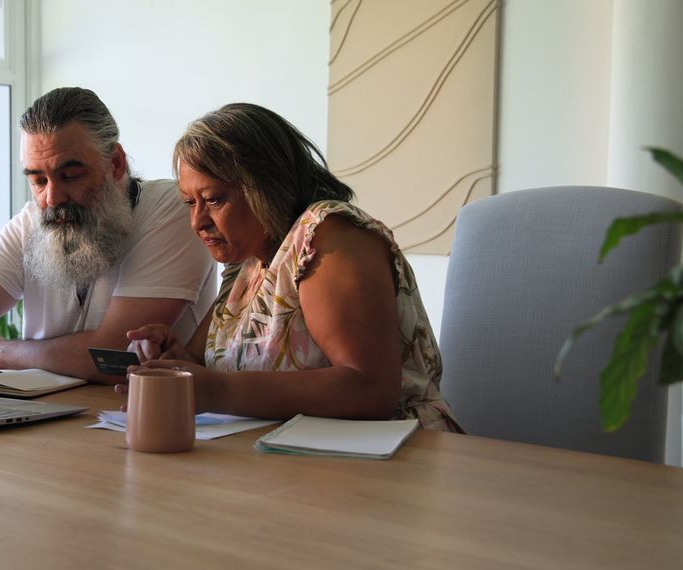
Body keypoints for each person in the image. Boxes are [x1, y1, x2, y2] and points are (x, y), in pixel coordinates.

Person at [126, 103, 463, 432]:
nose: (198, 221)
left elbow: (370, 389)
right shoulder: (247, 262)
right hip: (284, 460)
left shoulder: (329, 236)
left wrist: (217, 391)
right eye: (189, 203)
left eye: (214, 199)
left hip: (394, 456)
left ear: (265, 185)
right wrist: (174, 359)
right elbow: (206, 367)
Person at [0, 87, 217, 383]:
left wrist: (0, 353)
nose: (52, 198)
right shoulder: (30, 222)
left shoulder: (173, 210)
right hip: (47, 418)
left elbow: (113, 355)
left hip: (133, 416)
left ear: (116, 164)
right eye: (38, 180)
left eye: (70, 176)